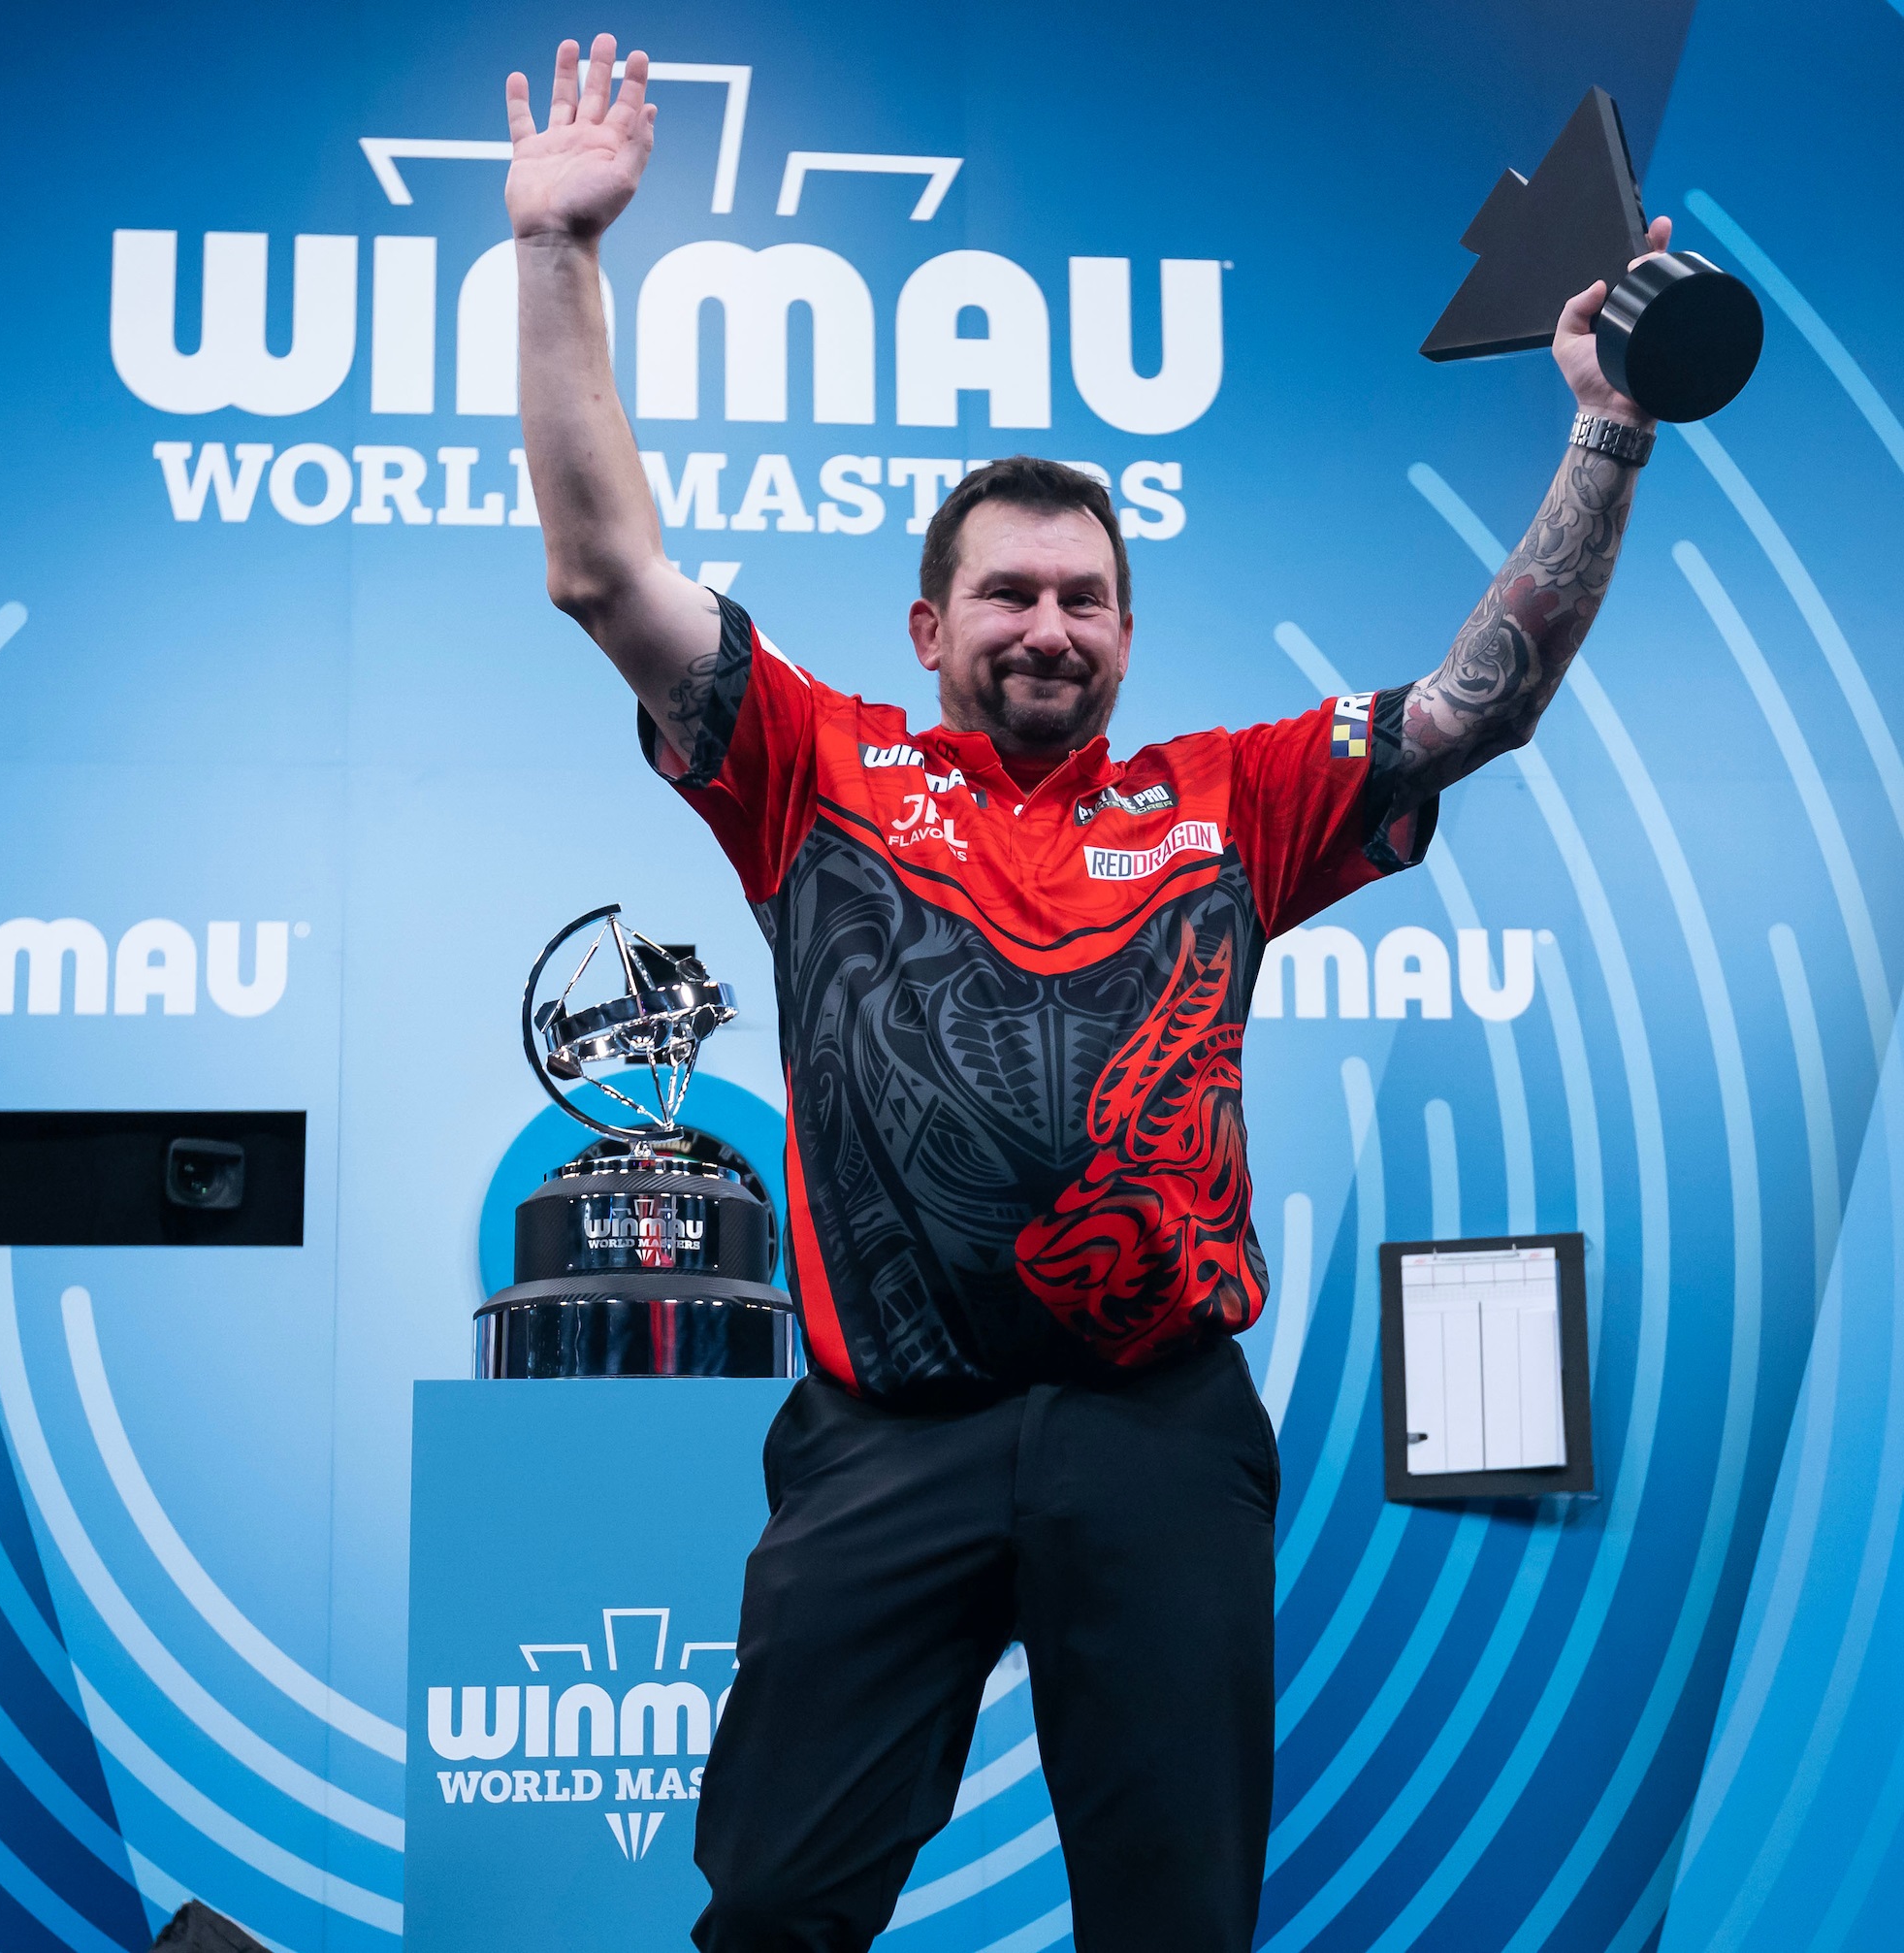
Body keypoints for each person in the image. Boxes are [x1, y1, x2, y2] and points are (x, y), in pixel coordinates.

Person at [504, 34, 1663, 1952]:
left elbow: (1482, 701)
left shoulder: (1232, 796)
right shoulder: (815, 768)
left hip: (1157, 1427)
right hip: (890, 1432)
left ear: (1126, 630)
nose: (1049, 624)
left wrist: (1606, 429)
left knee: (1176, 1922)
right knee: (775, 1903)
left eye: (1085, 597)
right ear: (928, 623)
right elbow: (602, 572)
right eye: (1009, 592)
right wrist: (556, 251)